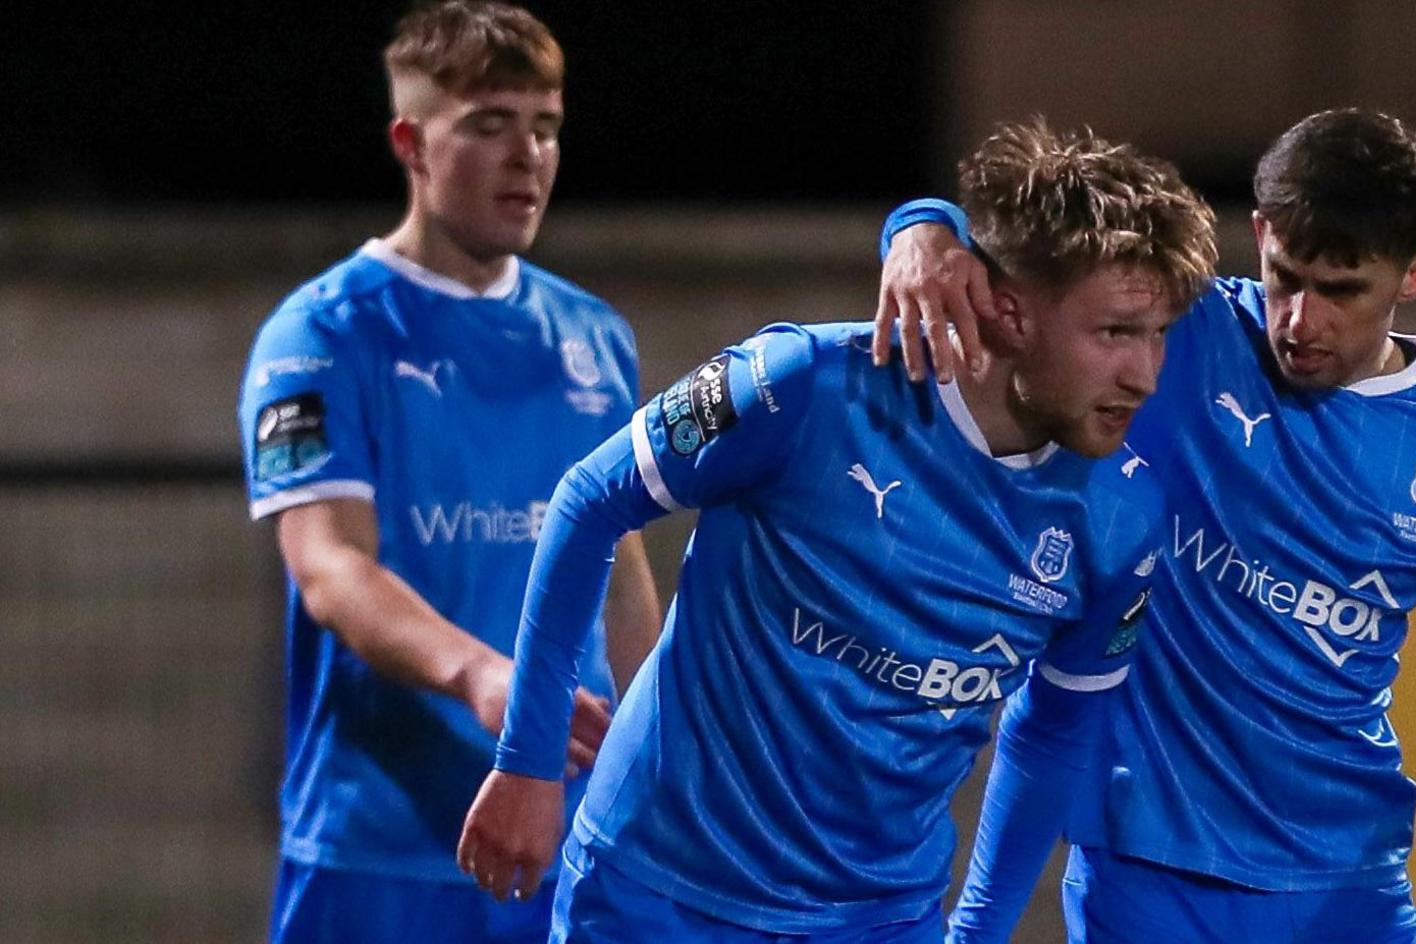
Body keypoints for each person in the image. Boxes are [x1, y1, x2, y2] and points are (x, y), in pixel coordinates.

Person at [454, 120, 1219, 942]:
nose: (1145, 375)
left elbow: (1057, 726)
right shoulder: (801, 385)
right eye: (1114, 334)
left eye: (1158, 334)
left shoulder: (1123, 518)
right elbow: (589, 499)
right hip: (656, 894)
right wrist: (529, 763)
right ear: (1007, 311)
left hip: (880, 920)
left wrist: (983, 928)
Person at [875, 109, 1416, 944]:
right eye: (1284, 276)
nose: (1300, 320)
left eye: (1340, 291)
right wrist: (919, 230)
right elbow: (1013, 242)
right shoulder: (1174, 334)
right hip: (1142, 877)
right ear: (1258, 233)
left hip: (1348, 891)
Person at [236, 3, 661, 941]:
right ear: (411, 143)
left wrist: (664, 737)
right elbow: (330, 569)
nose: (529, 156)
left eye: (545, 127)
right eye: (489, 125)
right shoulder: (321, 336)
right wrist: (483, 676)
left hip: (573, 834)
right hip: (384, 844)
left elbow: (619, 561)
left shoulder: (594, 335)